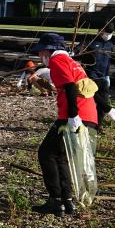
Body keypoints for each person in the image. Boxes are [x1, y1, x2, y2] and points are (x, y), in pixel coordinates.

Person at [31, 33, 98, 216]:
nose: (39, 56)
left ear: (48, 50)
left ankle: (56, 200)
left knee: (46, 153)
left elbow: (69, 87)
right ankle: (66, 202)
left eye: (40, 52)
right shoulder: (72, 62)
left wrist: (73, 116)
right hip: (87, 113)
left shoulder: (57, 60)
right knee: (61, 156)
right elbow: (88, 85)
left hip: (74, 115)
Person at [76, 23, 115, 130]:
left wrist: (107, 76)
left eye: (110, 33)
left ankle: (98, 126)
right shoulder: (90, 42)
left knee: (104, 102)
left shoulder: (110, 45)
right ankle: (85, 122)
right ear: (100, 31)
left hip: (104, 77)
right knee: (92, 101)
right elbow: (77, 51)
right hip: (91, 77)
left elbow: (108, 61)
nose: (108, 35)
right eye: (107, 32)